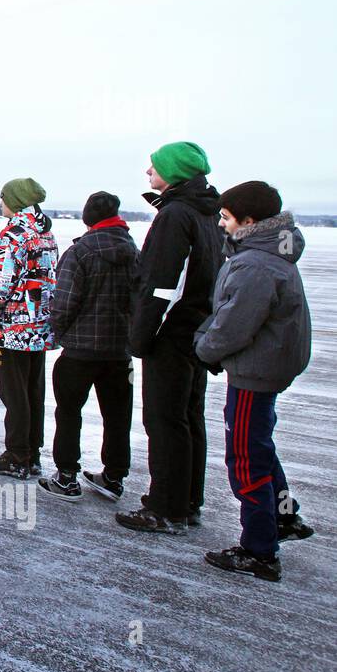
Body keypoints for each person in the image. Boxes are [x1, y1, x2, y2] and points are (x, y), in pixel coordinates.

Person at [196, 182, 313, 582]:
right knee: (260, 445)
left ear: (248, 222)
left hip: (255, 371)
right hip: (269, 366)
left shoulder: (256, 264)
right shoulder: (271, 252)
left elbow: (233, 324)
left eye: (226, 218)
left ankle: (260, 549)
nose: (221, 225)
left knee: (245, 456)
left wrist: (205, 349)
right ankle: (283, 516)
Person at [118, 142, 221, 535]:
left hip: (171, 333)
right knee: (188, 416)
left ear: (174, 172)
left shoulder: (176, 215)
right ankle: (186, 500)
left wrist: (142, 336)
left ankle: (166, 507)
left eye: (154, 167)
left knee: (164, 420)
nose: (148, 172)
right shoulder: (205, 212)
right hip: (195, 330)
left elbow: (163, 285)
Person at [38, 191, 139, 501]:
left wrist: (58, 331)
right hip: (119, 350)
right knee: (117, 415)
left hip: (80, 350)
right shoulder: (134, 251)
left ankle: (66, 475)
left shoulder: (80, 252)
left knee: (69, 412)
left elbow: (64, 301)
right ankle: (113, 476)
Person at [0, 178, 59, 479]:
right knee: (32, 391)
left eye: (3, 197)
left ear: (16, 200)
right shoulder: (45, 233)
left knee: (13, 394)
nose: (0, 203)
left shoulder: (13, 234)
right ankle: (32, 453)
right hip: (38, 326)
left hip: (14, 327)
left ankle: (16, 454)